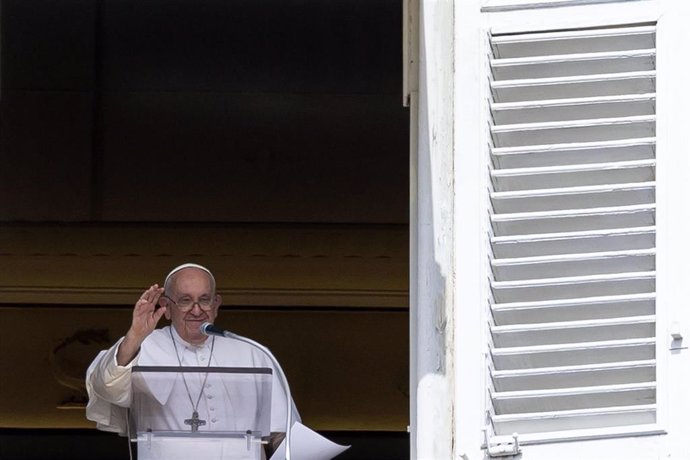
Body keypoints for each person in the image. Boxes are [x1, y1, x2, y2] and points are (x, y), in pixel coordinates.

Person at [85, 263, 300, 457]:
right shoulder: (141, 347)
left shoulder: (252, 353)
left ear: (216, 305)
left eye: (204, 300)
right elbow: (106, 386)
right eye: (185, 301)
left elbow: (283, 432)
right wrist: (134, 335)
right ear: (166, 307)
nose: (196, 310)